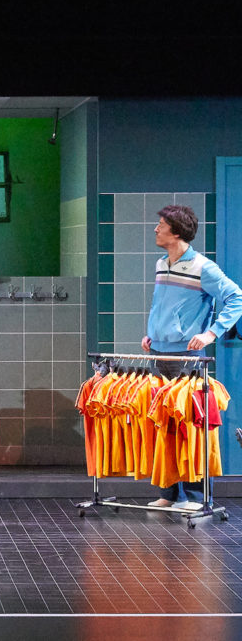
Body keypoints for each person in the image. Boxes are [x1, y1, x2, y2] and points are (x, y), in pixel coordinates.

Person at [140, 205, 242, 510]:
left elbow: (236, 298)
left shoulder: (202, 267)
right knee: (164, 425)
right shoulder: (161, 263)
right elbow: (162, 305)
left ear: (176, 232)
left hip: (187, 357)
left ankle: (197, 497)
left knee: (192, 427)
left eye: (161, 225)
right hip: (159, 353)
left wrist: (212, 334)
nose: (156, 229)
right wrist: (152, 333)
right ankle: (169, 494)